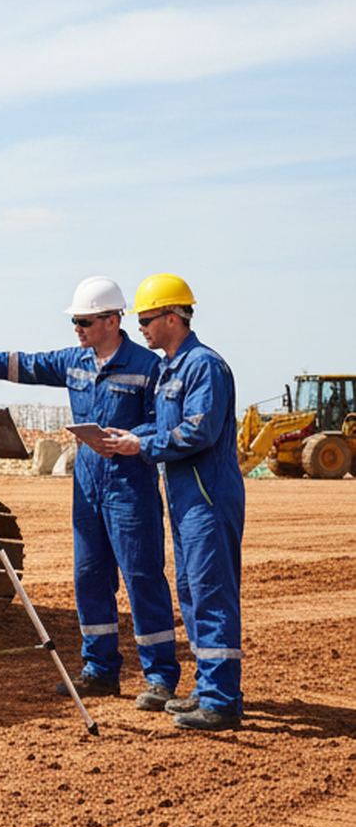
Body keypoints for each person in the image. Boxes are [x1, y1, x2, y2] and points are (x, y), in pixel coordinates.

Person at [0, 276, 180, 709]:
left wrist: (131, 437)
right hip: (87, 483)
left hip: (130, 485)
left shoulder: (148, 366)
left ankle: (160, 677)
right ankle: (99, 670)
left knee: (142, 577)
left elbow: (162, 422)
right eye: (75, 322)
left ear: (112, 321)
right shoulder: (74, 360)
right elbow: (26, 365)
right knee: (89, 576)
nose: (77, 329)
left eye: (84, 322)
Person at [106, 274, 246, 731]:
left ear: (173, 317)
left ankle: (222, 701)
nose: (140, 328)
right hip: (186, 498)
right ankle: (208, 688)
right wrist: (129, 435)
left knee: (212, 592)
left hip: (208, 497)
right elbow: (166, 426)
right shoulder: (170, 368)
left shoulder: (204, 366)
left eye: (146, 319)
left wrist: (142, 447)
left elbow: (197, 431)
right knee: (191, 591)